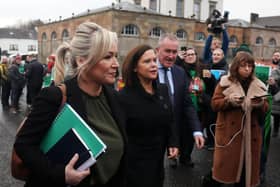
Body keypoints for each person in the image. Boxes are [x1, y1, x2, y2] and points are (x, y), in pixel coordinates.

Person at [13, 22, 127, 187]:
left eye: (115, 56)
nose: (116, 64)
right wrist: (60, 174)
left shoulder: (114, 98)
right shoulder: (54, 97)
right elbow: (23, 145)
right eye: (107, 57)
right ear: (82, 60)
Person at [204, 51, 269, 187]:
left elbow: (265, 109)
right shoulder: (225, 82)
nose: (247, 69)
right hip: (230, 134)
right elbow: (214, 104)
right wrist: (228, 101)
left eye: (250, 66)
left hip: (251, 137)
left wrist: (260, 104)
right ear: (236, 67)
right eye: (243, 66)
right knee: (225, 170)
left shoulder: (259, 84)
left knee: (246, 172)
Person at [118, 44, 179, 187]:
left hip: (158, 161)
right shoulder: (123, 97)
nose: (153, 65)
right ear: (134, 67)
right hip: (134, 165)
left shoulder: (162, 90)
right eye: (147, 61)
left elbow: (170, 119)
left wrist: (173, 142)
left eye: (154, 60)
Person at [156, 33, 204, 168]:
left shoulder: (179, 72)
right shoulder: (148, 70)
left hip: (175, 125)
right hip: (153, 133)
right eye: (167, 51)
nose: (171, 56)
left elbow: (187, 104)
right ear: (157, 50)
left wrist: (197, 130)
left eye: (174, 52)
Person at [268, 50, 280, 137]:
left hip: (277, 92)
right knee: (276, 114)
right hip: (273, 92)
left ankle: (276, 129)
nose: (276, 57)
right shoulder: (269, 66)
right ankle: (275, 129)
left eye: (278, 56)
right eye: (274, 55)